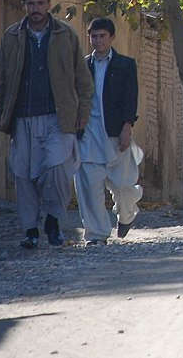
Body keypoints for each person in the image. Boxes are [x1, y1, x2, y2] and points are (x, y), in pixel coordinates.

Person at [0, 0, 92, 248]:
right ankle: (31, 230)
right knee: (24, 175)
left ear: (48, 4)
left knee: (56, 169)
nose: (35, 9)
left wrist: (83, 112)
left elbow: (83, 80)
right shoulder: (12, 36)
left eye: (40, 4)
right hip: (22, 117)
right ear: (25, 6)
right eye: (30, 4)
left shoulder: (65, 35)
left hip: (59, 117)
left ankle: (54, 221)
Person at [75, 18, 142, 245]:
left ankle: (127, 214)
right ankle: (96, 234)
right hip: (88, 135)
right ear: (89, 37)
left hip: (116, 133)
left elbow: (130, 99)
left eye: (102, 36)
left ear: (111, 37)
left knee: (124, 184)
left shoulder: (125, 65)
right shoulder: (82, 67)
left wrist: (127, 126)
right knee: (89, 186)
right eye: (94, 36)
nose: (98, 40)